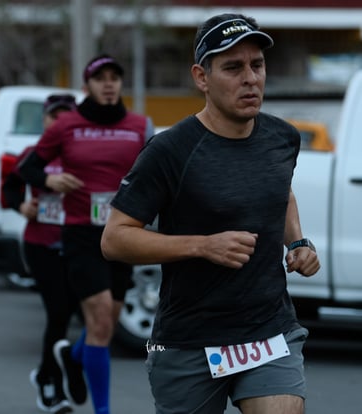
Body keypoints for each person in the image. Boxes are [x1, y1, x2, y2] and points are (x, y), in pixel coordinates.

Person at [101, 13, 321, 414]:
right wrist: (202, 246)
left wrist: (298, 241)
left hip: (268, 331)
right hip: (188, 339)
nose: (250, 78)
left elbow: (280, 191)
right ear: (202, 77)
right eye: (233, 68)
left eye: (257, 65)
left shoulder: (282, 138)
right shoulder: (168, 151)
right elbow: (115, 238)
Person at [18, 54, 155, 414]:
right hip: (81, 236)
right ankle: (103, 411)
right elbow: (27, 167)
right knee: (100, 324)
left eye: (114, 77)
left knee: (105, 324)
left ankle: (74, 359)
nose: (109, 83)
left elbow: (154, 174)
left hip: (124, 235)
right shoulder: (67, 126)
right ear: (86, 87)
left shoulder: (140, 126)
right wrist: (49, 179)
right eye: (100, 78)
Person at [2, 94, 79, 414]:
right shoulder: (33, 154)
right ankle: (51, 385)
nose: (59, 121)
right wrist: (23, 206)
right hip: (41, 245)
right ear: (45, 120)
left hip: (79, 244)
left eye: (66, 115)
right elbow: (10, 187)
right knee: (59, 312)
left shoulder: (83, 153)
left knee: (77, 313)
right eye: (53, 116)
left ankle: (48, 373)